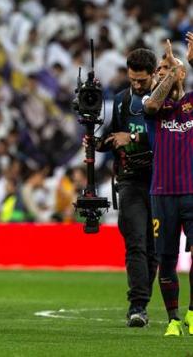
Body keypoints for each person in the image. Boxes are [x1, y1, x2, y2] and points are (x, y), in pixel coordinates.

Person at [93, 48, 158, 327]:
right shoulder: (121, 102)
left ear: (154, 74)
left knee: (155, 249)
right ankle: (138, 305)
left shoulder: (166, 102)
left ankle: (144, 298)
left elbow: (166, 139)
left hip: (161, 182)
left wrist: (130, 136)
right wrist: (99, 142)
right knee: (136, 243)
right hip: (130, 180)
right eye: (133, 79)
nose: (137, 85)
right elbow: (108, 135)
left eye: (142, 80)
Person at [143, 36, 193, 337]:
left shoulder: (191, 103)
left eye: (168, 67)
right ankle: (173, 319)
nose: (162, 71)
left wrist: (189, 61)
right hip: (162, 193)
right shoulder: (152, 105)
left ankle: (192, 313)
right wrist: (173, 72)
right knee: (166, 259)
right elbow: (153, 105)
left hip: (192, 191)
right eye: (160, 69)